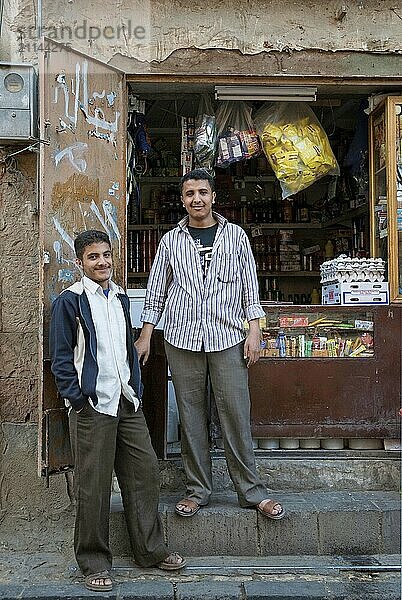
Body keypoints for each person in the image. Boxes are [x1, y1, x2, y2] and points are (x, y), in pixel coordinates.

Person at [135, 169, 285, 521]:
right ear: (183, 199)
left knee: (235, 413)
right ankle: (197, 490)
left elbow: (250, 286)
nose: (197, 199)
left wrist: (255, 331)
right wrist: (145, 335)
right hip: (181, 337)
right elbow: (156, 290)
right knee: (191, 416)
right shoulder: (171, 241)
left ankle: (251, 491)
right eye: (190, 194)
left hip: (228, 337)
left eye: (203, 192)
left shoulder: (235, 237)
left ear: (213, 196)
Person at [49, 229, 186, 592]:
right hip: (93, 405)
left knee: (144, 474)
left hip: (126, 400)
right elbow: (61, 359)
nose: (102, 262)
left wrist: (136, 387)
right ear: (80, 262)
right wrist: (78, 399)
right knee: (93, 488)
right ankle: (93, 562)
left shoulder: (121, 296)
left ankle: (150, 551)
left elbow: (126, 346)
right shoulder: (70, 300)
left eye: (106, 255)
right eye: (93, 257)